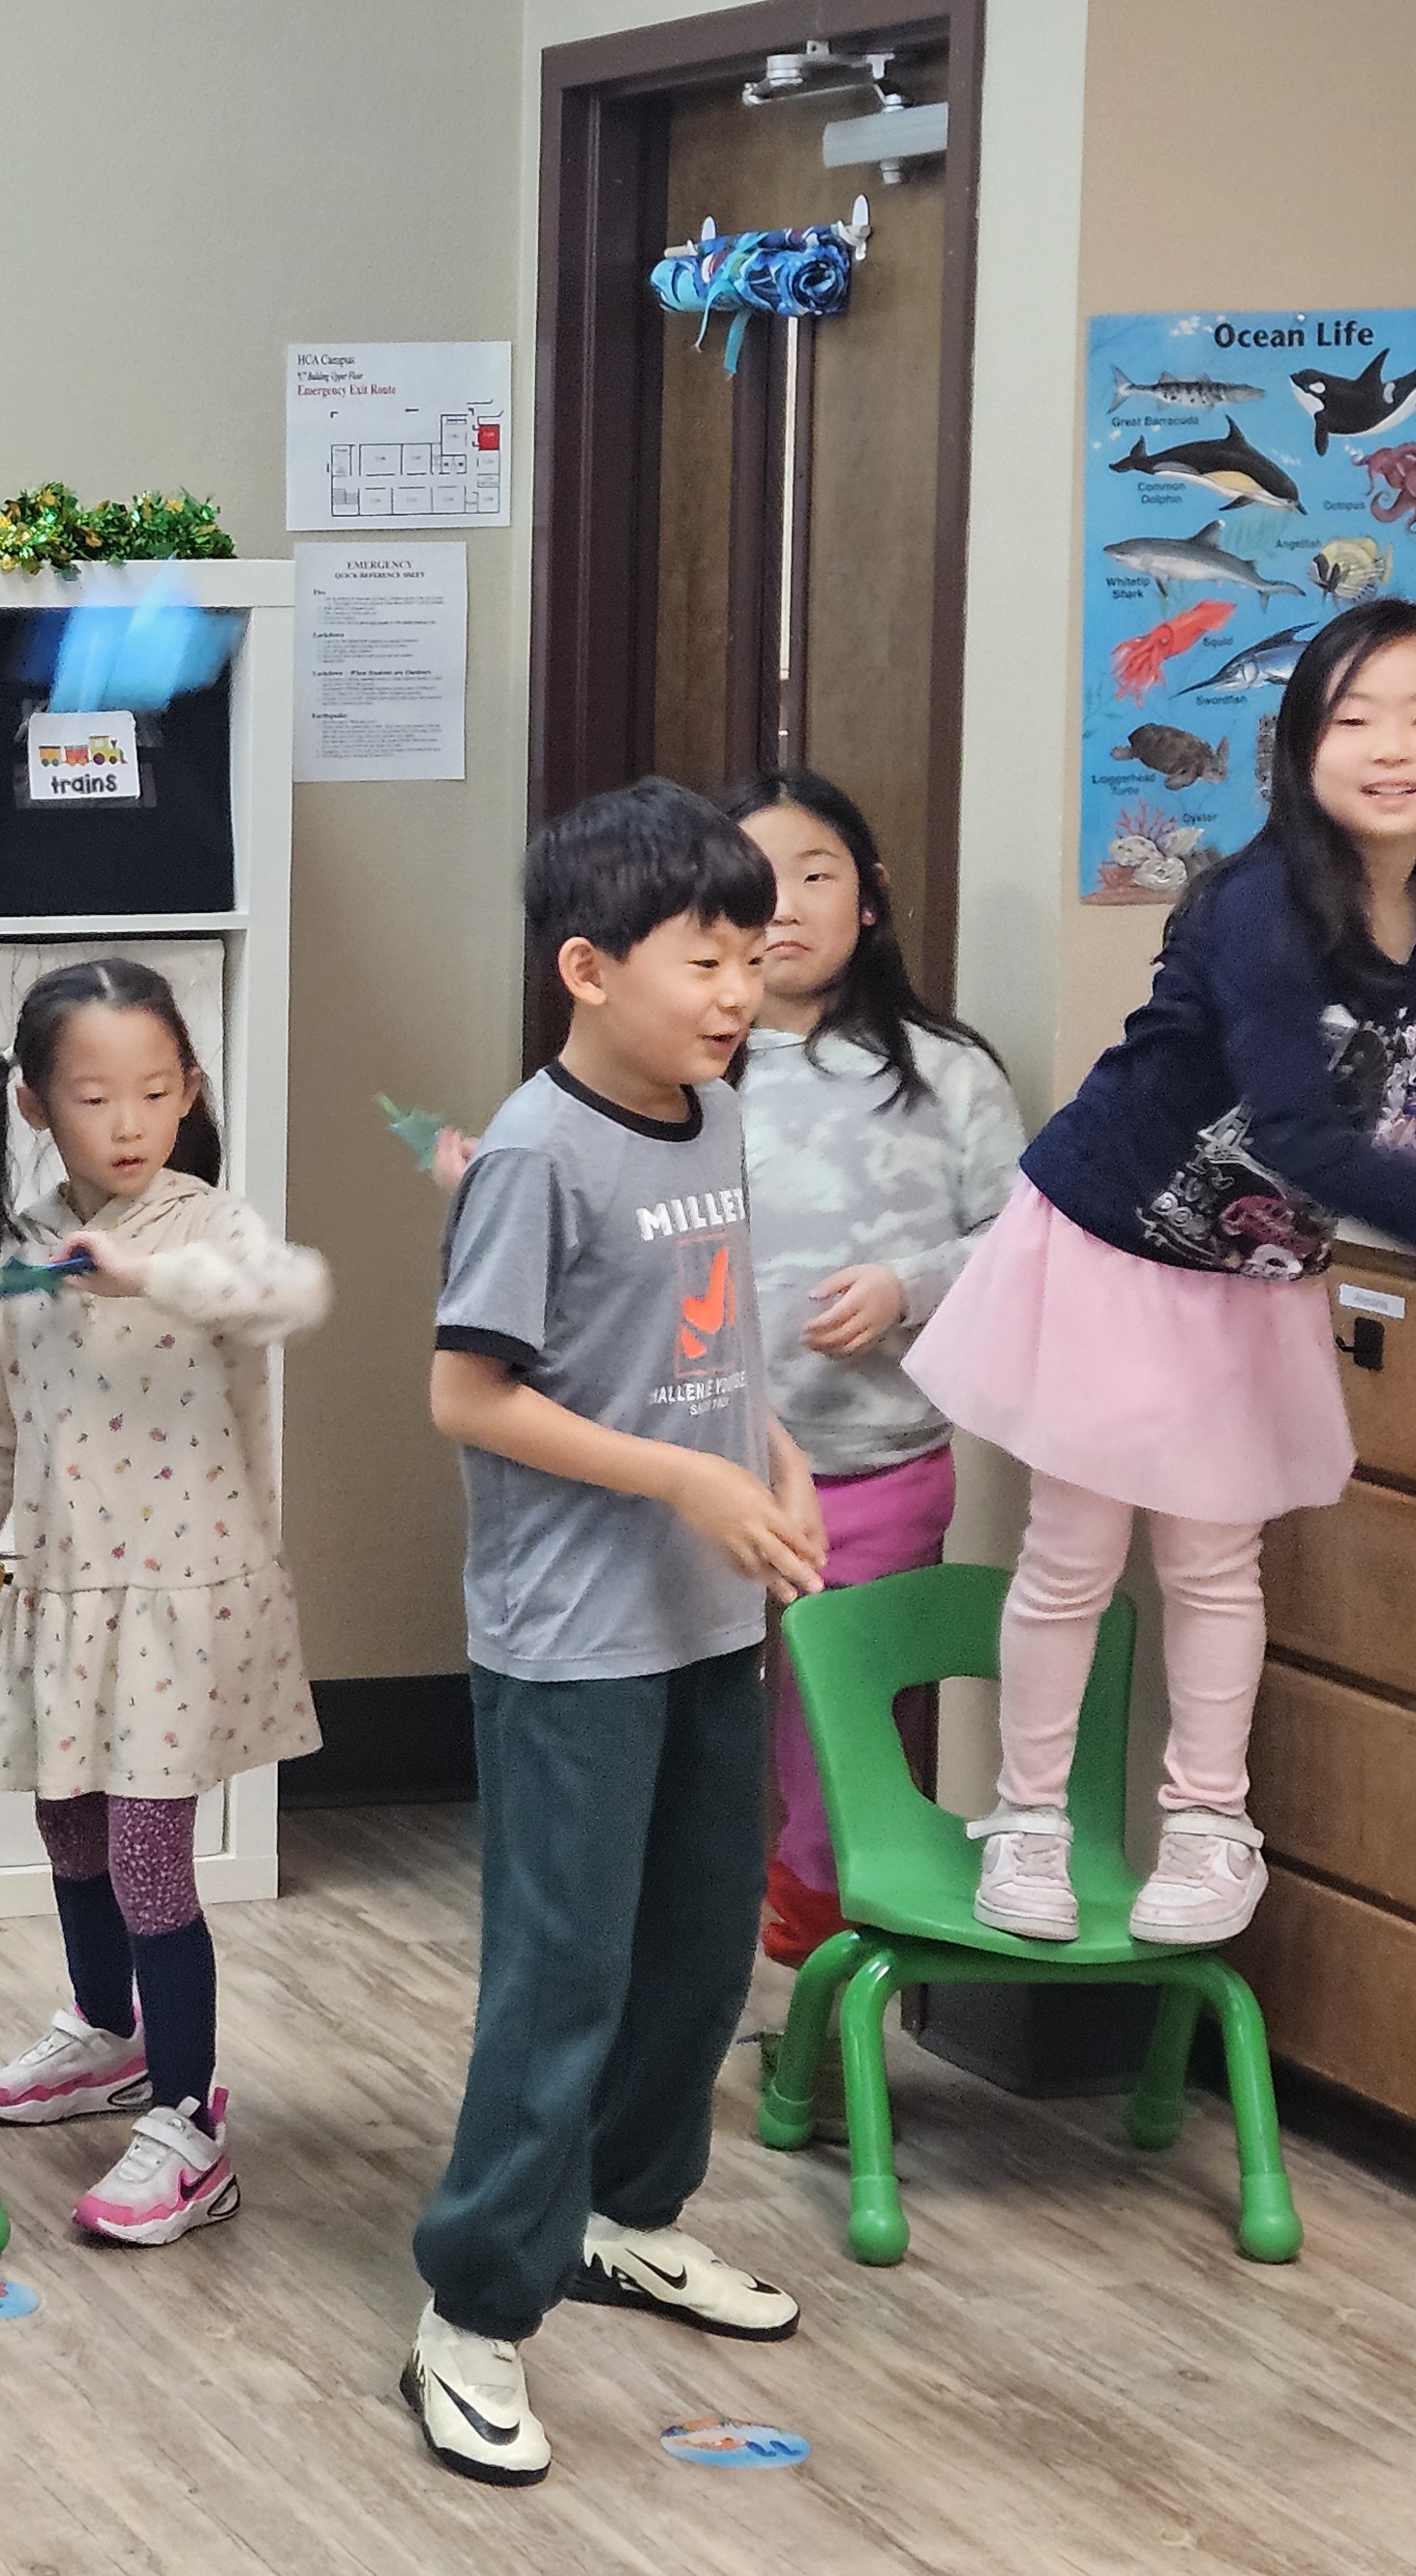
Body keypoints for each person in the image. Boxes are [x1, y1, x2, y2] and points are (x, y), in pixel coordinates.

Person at [907, 602, 1416, 1948]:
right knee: (1073, 1556)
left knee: (1216, 1561)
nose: (1390, 747)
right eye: (1353, 719)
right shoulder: (1261, 906)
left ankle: (1208, 1825)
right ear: (1300, 749)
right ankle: (1028, 1819)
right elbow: (1291, 1128)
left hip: (1249, 1271)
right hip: (1110, 1246)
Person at [407, 778, 824, 2491]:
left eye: (750, 959)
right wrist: (682, 1476)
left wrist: (770, 1458)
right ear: (587, 968)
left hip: (708, 1614)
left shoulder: (711, 1113)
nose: (738, 993)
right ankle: (472, 2311)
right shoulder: (534, 1153)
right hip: (572, 1639)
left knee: (703, 1951)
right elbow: (468, 1395)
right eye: (702, 962)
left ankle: (627, 2219)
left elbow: (700, 1345)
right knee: (562, 1977)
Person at [0, 958, 327, 2247]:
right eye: (94, 1098)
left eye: (153, 1091)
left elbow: (291, 1293)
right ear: (36, 1106)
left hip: (183, 1604)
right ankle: (107, 2031)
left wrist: (148, 1277)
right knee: (68, 1824)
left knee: (148, 1854)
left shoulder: (210, 1229)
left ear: (189, 1091)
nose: (129, 1122)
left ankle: (191, 2120)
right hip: (67, 1595)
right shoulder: (19, 1258)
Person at [721, 770, 1022, 1966]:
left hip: (876, 1459)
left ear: (870, 898)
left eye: (816, 875)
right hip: (696, 1468)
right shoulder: (678, 1069)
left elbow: (1020, 1241)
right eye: (754, 883)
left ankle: (823, 1956)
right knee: (693, 1712)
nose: (784, 905)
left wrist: (909, 1286)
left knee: (839, 1729)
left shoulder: (947, 1072)